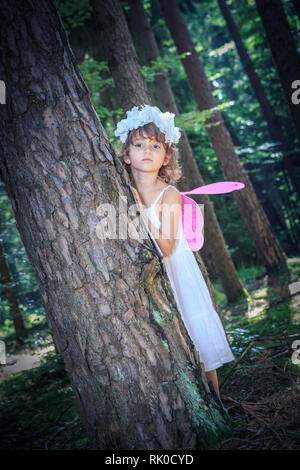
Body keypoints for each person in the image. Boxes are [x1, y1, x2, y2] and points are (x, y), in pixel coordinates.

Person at [115, 105, 235, 403]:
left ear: (166, 156)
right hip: (146, 278)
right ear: (126, 154)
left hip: (177, 272)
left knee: (193, 333)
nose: (147, 150)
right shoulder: (120, 190)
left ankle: (216, 403)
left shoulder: (168, 194)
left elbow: (167, 247)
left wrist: (139, 209)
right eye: (139, 144)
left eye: (155, 146)